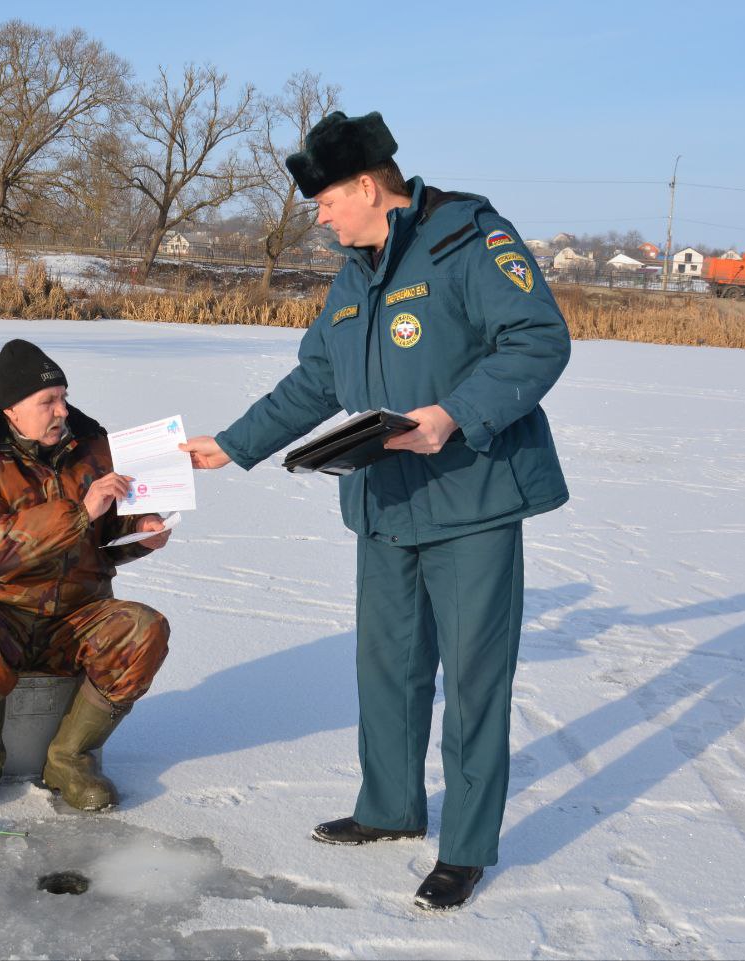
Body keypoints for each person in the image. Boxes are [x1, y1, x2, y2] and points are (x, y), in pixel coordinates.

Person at [181, 111, 571, 910]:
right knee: (387, 667)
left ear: (365, 186)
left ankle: (465, 847)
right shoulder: (352, 273)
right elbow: (317, 380)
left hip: (471, 497)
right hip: (383, 499)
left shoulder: (472, 240)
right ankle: (390, 807)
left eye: (324, 201)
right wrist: (236, 442)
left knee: (472, 680)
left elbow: (538, 339)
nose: (318, 217)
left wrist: (451, 413)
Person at [0, 339, 172, 814]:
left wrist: (140, 531)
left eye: (63, 396)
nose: (62, 410)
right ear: (11, 411)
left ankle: (69, 758)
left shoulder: (93, 449)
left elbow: (102, 536)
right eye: (48, 402)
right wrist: (81, 512)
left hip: (74, 614)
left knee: (144, 629)